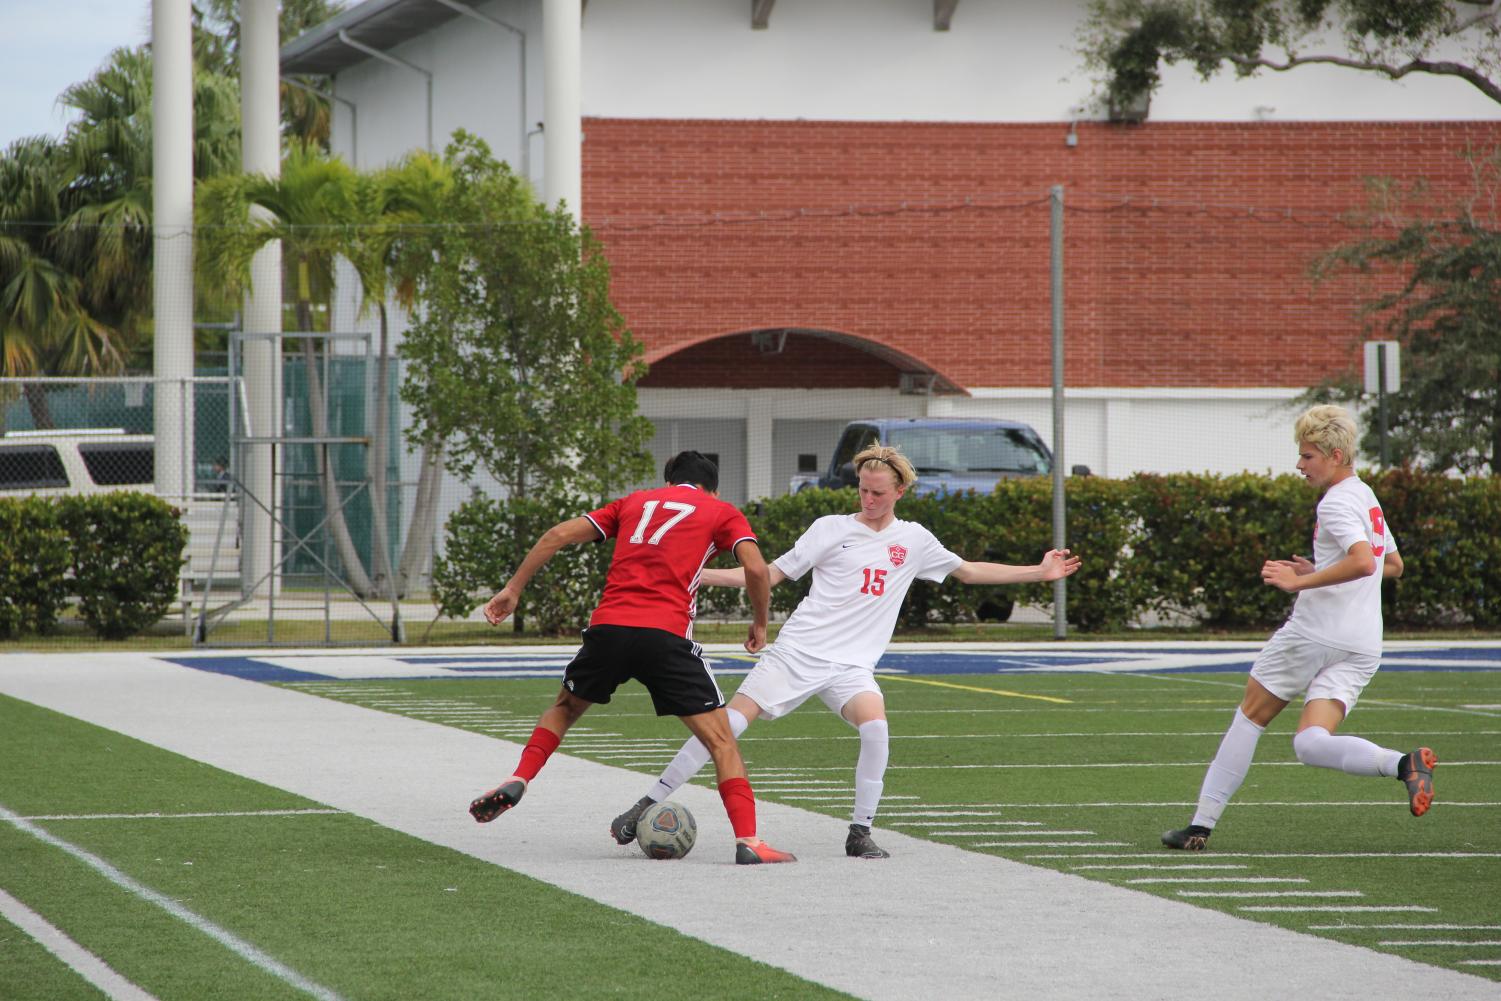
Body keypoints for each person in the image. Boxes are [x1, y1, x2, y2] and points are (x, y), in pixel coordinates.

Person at [608, 443, 1082, 859]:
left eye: (878, 492)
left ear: (899, 492)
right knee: (726, 726)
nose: (869, 499)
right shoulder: (829, 528)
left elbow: (970, 572)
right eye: (862, 489)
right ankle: (646, 804)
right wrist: (696, 571)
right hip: (798, 652)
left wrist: (1038, 573)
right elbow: (768, 574)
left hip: (851, 666)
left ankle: (860, 833)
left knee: (876, 729)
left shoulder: (914, 540)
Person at [467, 450, 797, 865]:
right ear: (713, 488)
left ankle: (520, 777)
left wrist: (513, 589)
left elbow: (556, 535)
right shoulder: (721, 511)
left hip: (609, 629)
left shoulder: (633, 502)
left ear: (668, 479)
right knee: (720, 741)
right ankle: (749, 840)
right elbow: (755, 568)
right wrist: (761, 622)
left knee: (564, 708)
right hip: (665, 635)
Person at [1162, 405, 1430, 851]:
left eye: (1308, 456)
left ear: (1337, 455)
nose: (1300, 465)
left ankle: (1200, 826)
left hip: (1315, 632)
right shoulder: (1366, 495)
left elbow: (1364, 562)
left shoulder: (1338, 500)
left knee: (1249, 718)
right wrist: (1325, 566)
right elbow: (1393, 565)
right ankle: (1404, 764)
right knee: (1309, 743)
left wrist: (1301, 580)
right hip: (1363, 642)